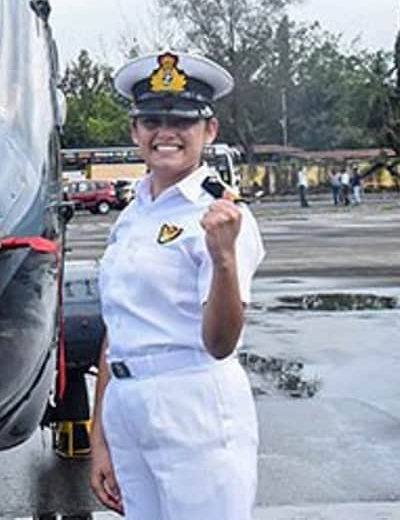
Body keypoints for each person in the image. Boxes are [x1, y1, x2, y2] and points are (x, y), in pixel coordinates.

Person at [89, 51, 265, 520]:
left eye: (181, 120)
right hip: (126, 407)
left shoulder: (224, 215)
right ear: (134, 130)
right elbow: (117, 330)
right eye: (151, 120)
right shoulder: (132, 214)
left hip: (192, 402)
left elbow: (222, 342)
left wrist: (223, 257)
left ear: (209, 130)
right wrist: (100, 436)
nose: (164, 132)